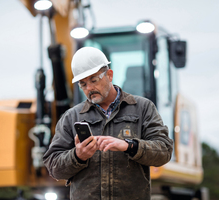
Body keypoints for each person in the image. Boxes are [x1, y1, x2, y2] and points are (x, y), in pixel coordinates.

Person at [43, 47, 173, 200]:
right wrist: (77, 156)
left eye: (94, 80)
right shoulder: (71, 117)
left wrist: (129, 145)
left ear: (109, 75)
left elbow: (164, 151)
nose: (89, 88)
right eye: (83, 84)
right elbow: (53, 167)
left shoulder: (143, 108)